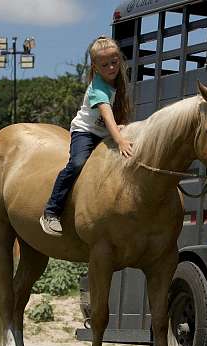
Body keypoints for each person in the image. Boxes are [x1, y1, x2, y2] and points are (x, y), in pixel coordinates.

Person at [40, 36, 133, 236]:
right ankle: (51, 211)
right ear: (95, 67)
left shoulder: (119, 81)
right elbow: (107, 116)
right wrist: (119, 140)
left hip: (105, 132)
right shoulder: (98, 88)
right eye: (105, 64)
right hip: (86, 132)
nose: (111, 68)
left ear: (120, 60)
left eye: (114, 62)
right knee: (77, 163)